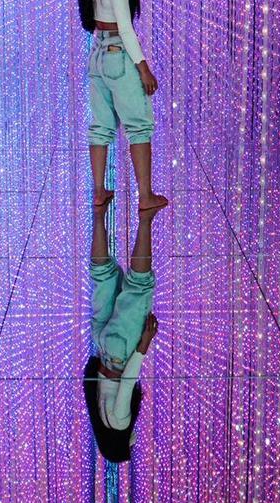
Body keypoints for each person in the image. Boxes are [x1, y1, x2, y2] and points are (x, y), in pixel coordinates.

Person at [78, 0, 168, 212]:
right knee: (139, 126)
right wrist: (143, 67)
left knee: (101, 127)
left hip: (97, 54)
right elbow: (126, 28)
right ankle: (145, 195)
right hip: (118, 53)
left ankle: (99, 191)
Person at [83, 195, 161, 462]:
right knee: (102, 276)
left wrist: (142, 347)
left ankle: (146, 218)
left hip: (122, 351)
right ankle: (98, 213)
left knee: (139, 286)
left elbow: (127, 384)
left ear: (121, 444)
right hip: (101, 345)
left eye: (130, 446)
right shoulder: (98, 417)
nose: (133, 441)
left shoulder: (118, 423)